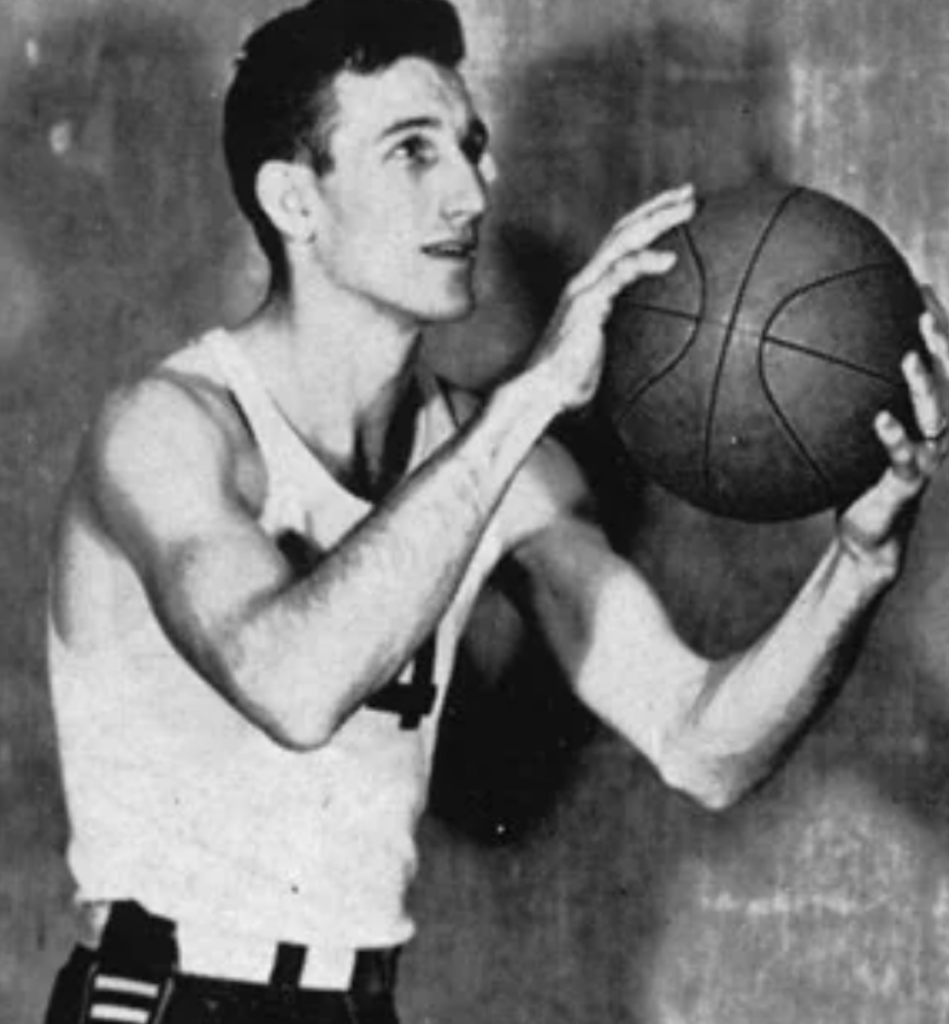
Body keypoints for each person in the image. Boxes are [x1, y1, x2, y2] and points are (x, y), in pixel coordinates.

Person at [43, 0, 949, 1021]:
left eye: (471, 147)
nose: (470, 191)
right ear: (295, 200)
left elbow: (702, 746)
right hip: (161, 998)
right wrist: (523, 404)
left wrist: (861, 562)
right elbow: (291, 687)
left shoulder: (499, 458)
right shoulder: (167, 429)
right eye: (411, 152)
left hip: (358, 999)